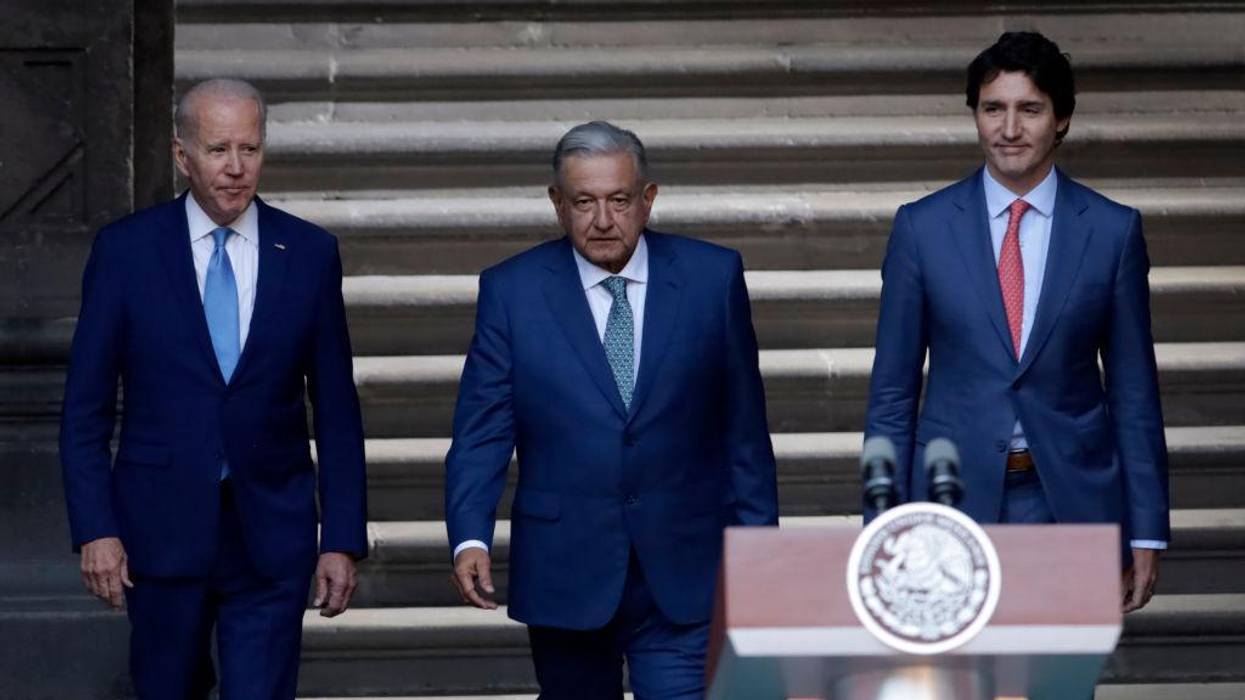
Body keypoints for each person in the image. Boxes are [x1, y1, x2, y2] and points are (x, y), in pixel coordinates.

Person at [445, 121, 779, 698]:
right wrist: (469, 536)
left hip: (685, 569)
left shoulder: (711, 277)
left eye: (619, 200)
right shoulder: (512, 291)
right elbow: (482, 430)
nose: (603, 220)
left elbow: (744, 432)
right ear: (558, 204)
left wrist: (760, 553)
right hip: (565, 568)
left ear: (648, 199)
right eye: (584, 202)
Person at [60, 78, 367, 699]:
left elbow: (336, 411)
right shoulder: (126, 253)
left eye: (249, 150)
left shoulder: (308, 253)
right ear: (182, 155)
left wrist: (340, 538)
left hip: (271, 533)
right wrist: (96, 529)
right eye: (218, 149)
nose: (234, 168)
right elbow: (85, 411)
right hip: (158, 531)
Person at [864, 31, 1169, 614]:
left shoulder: (1112, 231)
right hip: (947, 504)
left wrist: (1147, 530)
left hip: (1071, 502)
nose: (1009, 129)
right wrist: (882, 527)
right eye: (992, 109)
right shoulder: (921, 229)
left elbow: (1134, 394)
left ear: (1062, 120)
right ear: (975, 116)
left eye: (1029, 109)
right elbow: (892, 395)